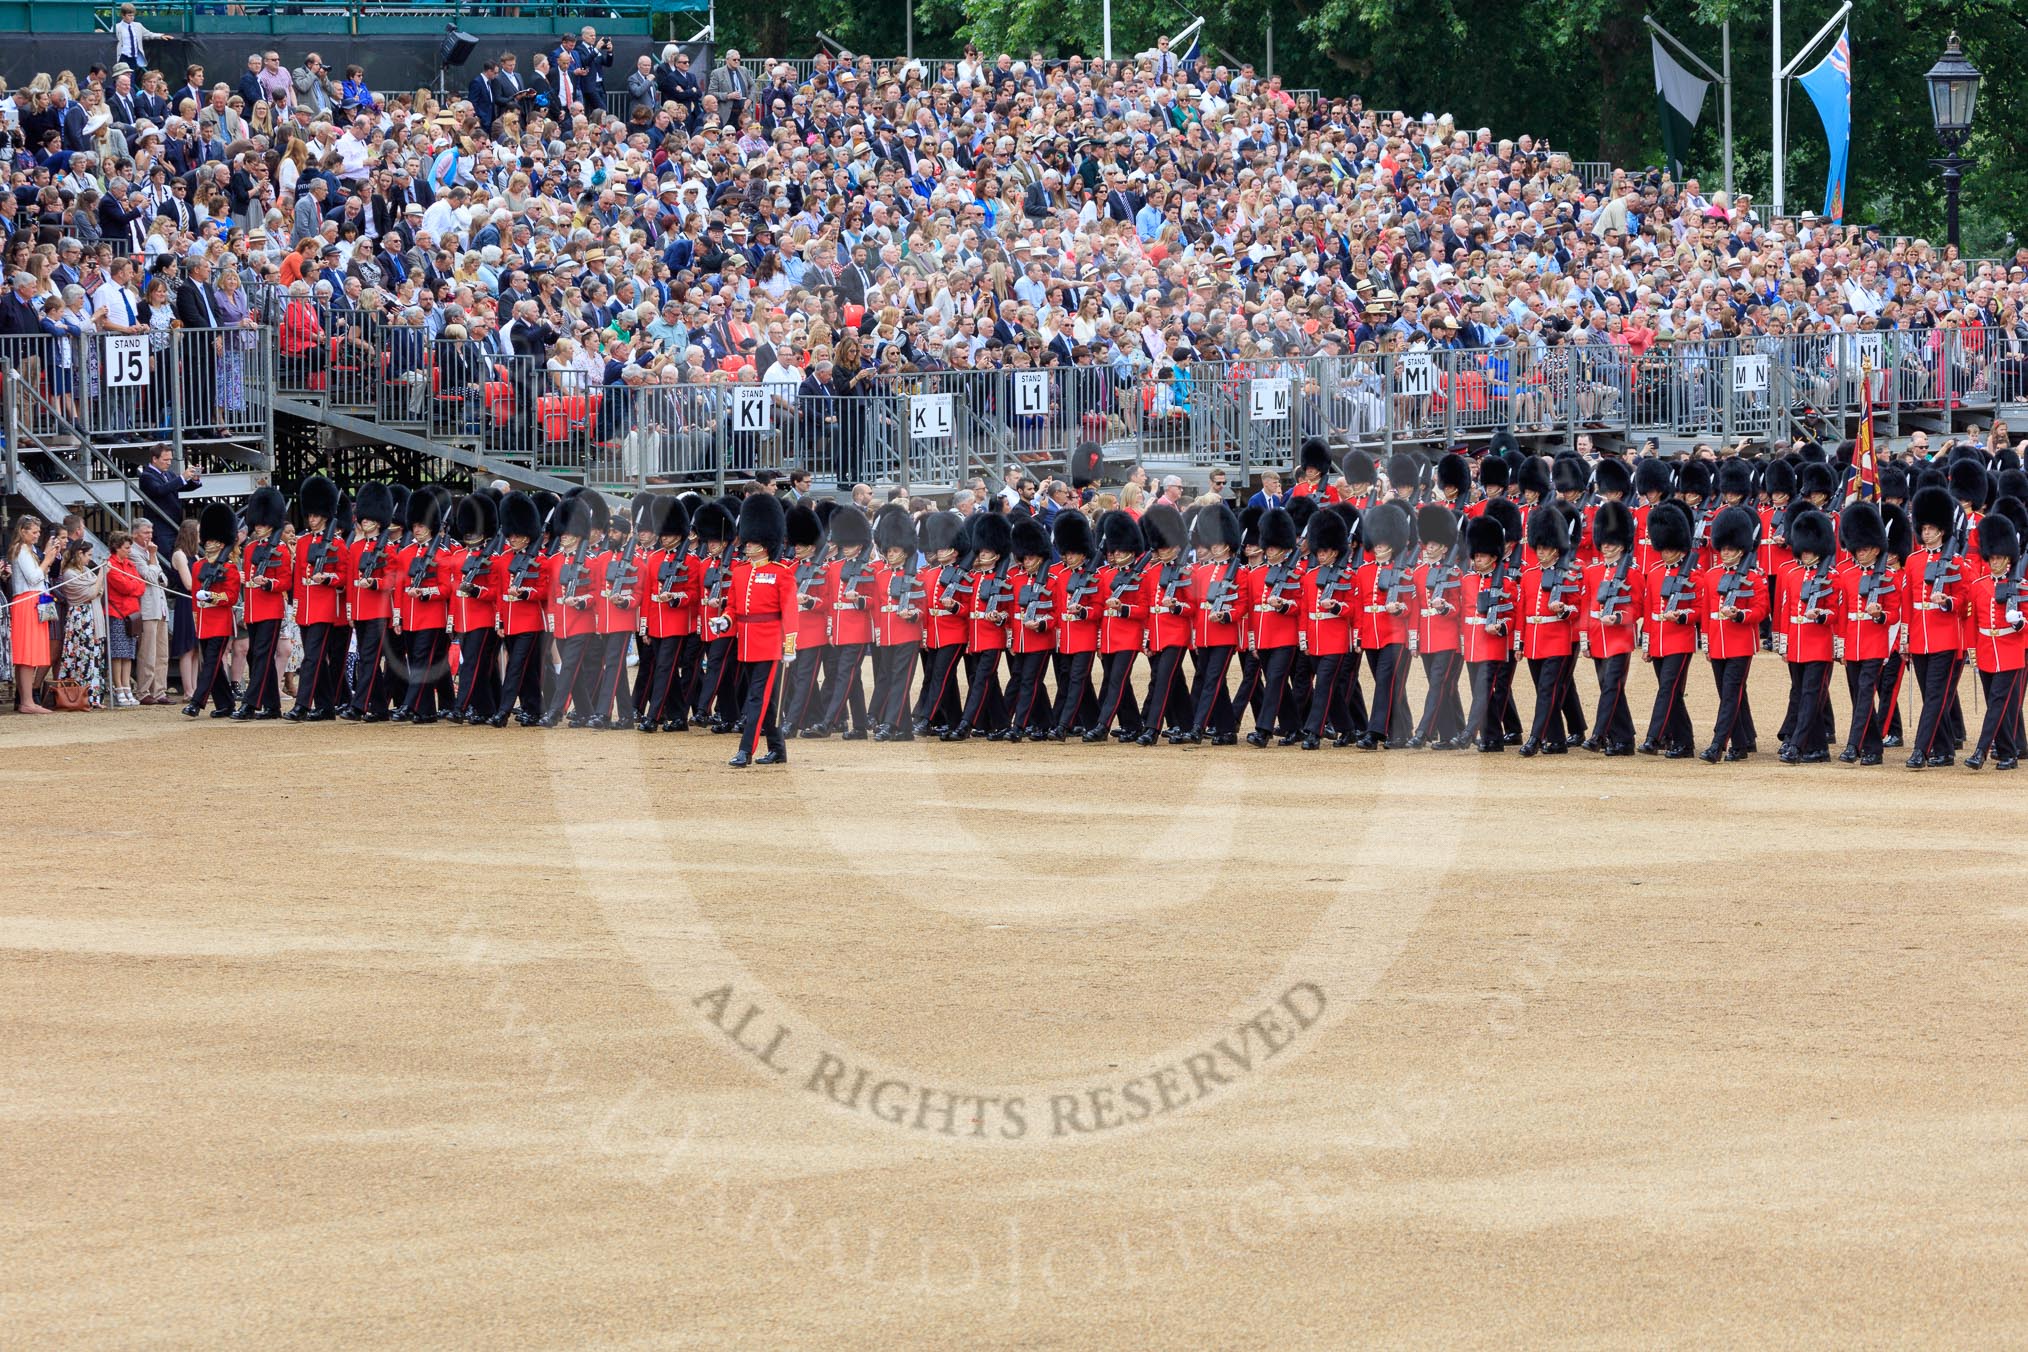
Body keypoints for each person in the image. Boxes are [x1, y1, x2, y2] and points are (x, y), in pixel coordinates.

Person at [724, 488, 795, 768]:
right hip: (746, 643)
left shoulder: (781, 572)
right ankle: (778, 750)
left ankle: (746, 750)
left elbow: (789, 612)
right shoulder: (740, 572)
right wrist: (725, 620)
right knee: (765, 700)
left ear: (764, 543)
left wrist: (789, 645)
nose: (746, 546)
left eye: (751, 543)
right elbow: (733, 607)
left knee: (755, 699)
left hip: (770, 645)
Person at [183, 503, 242, 717]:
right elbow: (194, 599)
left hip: (220, 622)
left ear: (222, 543)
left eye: (214, 541)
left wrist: (212, 596)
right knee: (213, 666)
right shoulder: (198, 567)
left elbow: (232, 597)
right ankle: (226, 704)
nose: (209, 544)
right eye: (207, 540)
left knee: (210, 665)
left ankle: (197, 703)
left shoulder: (229, 568)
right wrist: (196, 618)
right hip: (204, 621)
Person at [10, 516, 60, 712]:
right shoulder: (21, 549)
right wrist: (46, 559)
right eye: (34, 532)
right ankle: (27, 701)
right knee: (27, 654)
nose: (37, 535)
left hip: (35, 600)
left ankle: (27, 700)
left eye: (39, 532)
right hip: (27, 601)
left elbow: (40, 577)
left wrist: (47, 557)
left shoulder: (28, 550)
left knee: (30, 653)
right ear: (23, 531)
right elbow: (33, 578)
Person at [54, 540, 107, 708]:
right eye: (88, 555)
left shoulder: (85, 570)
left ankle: (94, 697)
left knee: (94, 657)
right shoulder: (69, 573)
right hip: (81, 618)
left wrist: (97, 582)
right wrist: (101, 574)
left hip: (93, 616)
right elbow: (92, 592)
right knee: (82, 657)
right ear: (80, 554)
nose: (90, 559)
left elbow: (99, 590)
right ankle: (79, 697)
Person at [130, 520, 170, 704]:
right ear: (135, 534)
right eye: (146, 532)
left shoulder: (149, 552)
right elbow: (150, 576)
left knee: (162, 652)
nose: (150, 536)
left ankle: (159, 690)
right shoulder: (133, 553)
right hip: (147, 607)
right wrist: (153, 558)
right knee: (148, 652)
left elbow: (164, 580)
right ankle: (144, 690)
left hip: (160, 606)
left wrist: (152, 559)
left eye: (150, 531)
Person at [104, 529, 143, 707]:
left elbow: (140, 586)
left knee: (128, 654)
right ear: (117, 548)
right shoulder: (110, 565)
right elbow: (125, 587)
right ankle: (118, 687)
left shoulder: (129, 565)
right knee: (118, 654)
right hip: (117, 613)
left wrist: (133, 585)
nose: (129, 551)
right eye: (126, 547)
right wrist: (133, 585)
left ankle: (126, 686)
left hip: (131, 614)